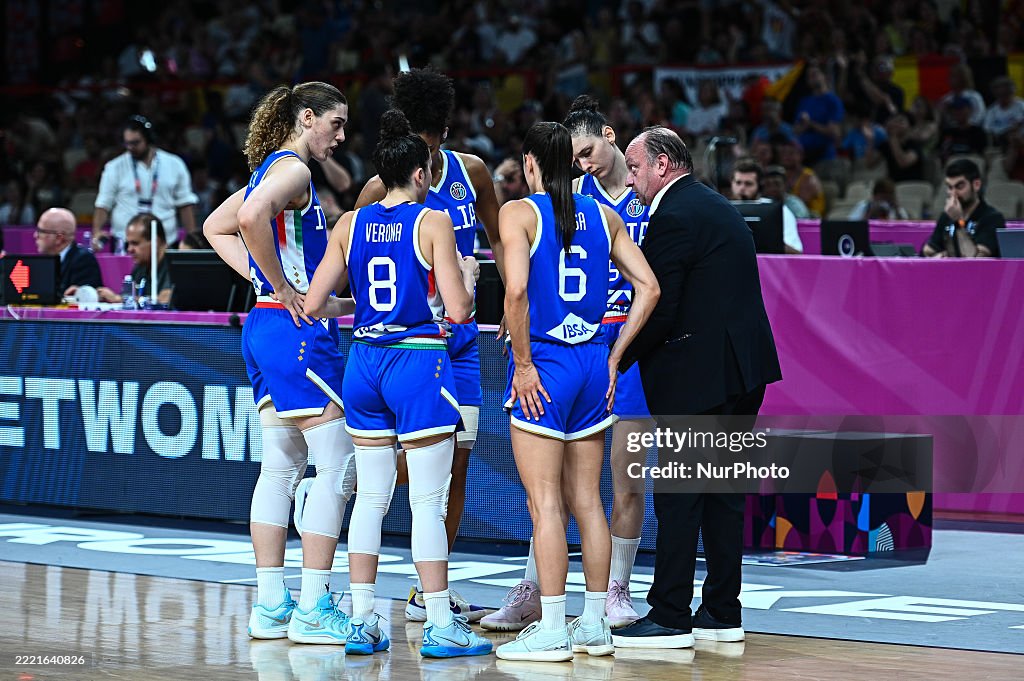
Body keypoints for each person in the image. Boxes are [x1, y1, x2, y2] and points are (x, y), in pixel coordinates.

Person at [303, 109, 492, 659]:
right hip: (415, 360)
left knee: (371, 499)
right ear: (421, 173)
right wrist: (470, 277)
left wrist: (358, 305)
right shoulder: (430, 221)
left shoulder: (349, 223)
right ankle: (438, 623)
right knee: (429, 503)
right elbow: (458, 310)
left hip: (362, 360)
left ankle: (362, 621)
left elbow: (315, 305)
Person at [495, 121, 658, 662]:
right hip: (593, 362)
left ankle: (550, 628)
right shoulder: (606, 215)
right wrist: (616, 355)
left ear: (530, 165)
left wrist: (521, 365)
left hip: (545, 364)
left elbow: (516, 290)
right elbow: (649, 287)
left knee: (545, 505)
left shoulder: (519, 212)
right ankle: (593, 623)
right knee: (589, 501)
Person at [613, 126, 781, 649]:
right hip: (742, 372)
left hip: (701, 376)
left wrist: (617, 358)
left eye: (635, 167)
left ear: (662, 164)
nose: (632, 178)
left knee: (682, 498)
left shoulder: (674, 215)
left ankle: (668, 615)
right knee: (724, 496)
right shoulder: (712, 204)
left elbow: (659, 307)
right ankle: (721, 612)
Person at [202, 82, 356, 645]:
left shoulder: (267, 166)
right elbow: (249, 220)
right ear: (306, 117)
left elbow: (214, 226)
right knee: (337, 467)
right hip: (294, 334)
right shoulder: (293, 171)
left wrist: (271, 283)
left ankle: (270, 605)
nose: (341, 136)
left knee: (281, 468)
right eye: (334, 124)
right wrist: (279, 282)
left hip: (265, 328)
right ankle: (314, 606)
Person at [352, 67, 502, 622]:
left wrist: (516, 299)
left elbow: (501, 239)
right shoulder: (379, 188)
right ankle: (340, 503)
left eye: (431, 138)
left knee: (455, 466)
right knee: (401, 469)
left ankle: (426, 590)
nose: (424, 151)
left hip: (459, 343)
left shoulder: (474, 172)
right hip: (406, 344)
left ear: (442, 129)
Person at [93, 115, 198, 250]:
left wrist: (191, 239)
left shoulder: (174, 164)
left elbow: (185, 204)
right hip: (126, 244)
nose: (130, 147)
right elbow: (103, 204)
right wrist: (96, 233)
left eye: (135, 143)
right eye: (127, 143)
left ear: (149, 139)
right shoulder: (114, 167)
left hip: (165, 242)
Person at [923, 159, 1003, 258]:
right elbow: (928, 251)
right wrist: (940, 256)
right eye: (950, 187)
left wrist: (959, 222)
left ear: (976, 185)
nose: (953, 193)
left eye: (959, 186)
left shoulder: (992, 218)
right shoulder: (947, 216)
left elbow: (975, 260)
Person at [93, 213, 173, 304]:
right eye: (128, 244)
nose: (129, 249)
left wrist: (119, 299)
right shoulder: (141, 266)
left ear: (156, 242)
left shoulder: (175, 265)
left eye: (135, 243)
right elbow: (129, 296)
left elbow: (165, 300)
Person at [730, 158, 804, 254]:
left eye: (748, 184)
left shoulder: (780, 210)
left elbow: (797, 252)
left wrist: (768, 242)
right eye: (738, 183)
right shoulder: (723, 209)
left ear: (760, 185)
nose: (742, 188)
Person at [34, 207, 102, 296]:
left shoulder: (83, 261)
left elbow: (85, 301)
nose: (35, 235)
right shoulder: (44, 262)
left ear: (59, 238)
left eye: (41, 231)